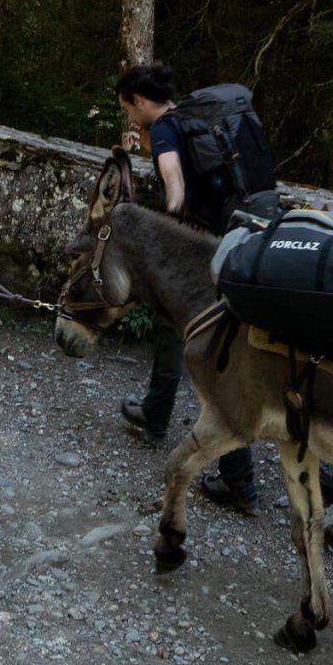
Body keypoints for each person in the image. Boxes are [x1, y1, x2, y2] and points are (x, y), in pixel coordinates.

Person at [114, 63, 259, 510]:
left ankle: (237, 479)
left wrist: (164, 236)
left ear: (140, 101)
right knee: (215, 347)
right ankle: (159, 415)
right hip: (238, 238)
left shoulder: (164, 129)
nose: (129, 117)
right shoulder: (191, 119)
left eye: (127, 109)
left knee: (212, 355)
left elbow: (174, 187)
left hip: (202, 251)